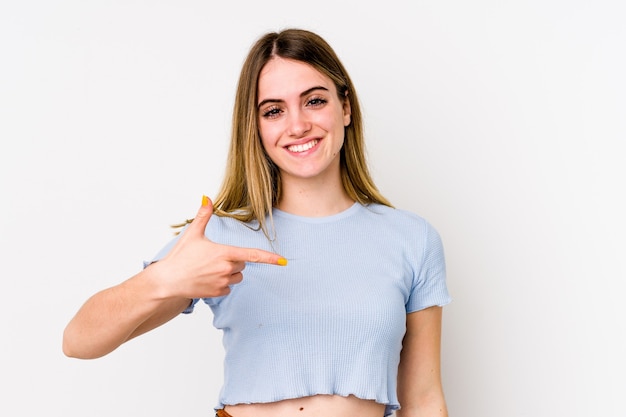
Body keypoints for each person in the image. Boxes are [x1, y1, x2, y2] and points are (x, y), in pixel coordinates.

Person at [63, 28, 452, 417]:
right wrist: (162, 279)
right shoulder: (218, 237)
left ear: (345, 107)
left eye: (314, 101)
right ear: (256, 126)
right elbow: (79, 341)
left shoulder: (411, 238)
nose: (297, 125)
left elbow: (423, 400)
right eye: (274, 110)